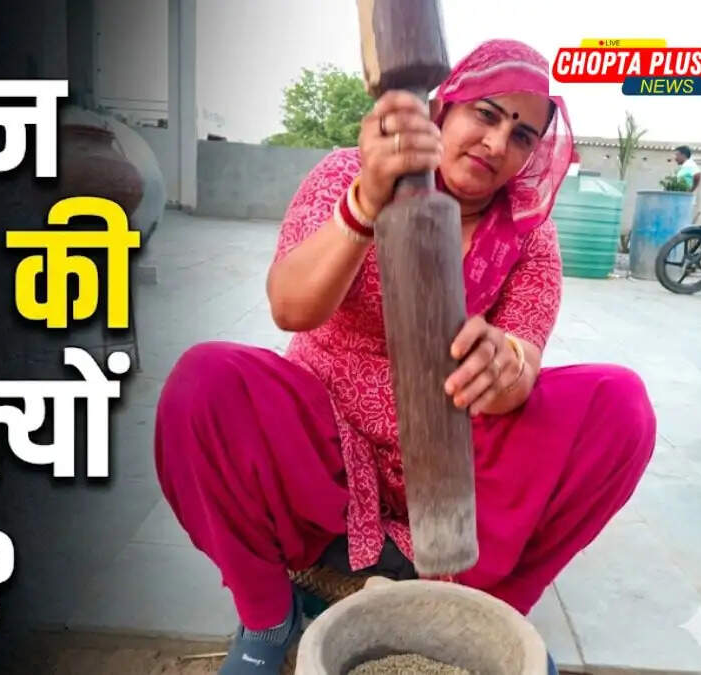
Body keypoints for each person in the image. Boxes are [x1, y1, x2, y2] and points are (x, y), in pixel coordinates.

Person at [154, 40, 656, 675]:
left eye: (524, 134)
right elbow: (289, 307)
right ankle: (267, 619)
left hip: (452, 453)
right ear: (444, 108)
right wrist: (366, 201)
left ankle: (487, 614)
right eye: (488, 113)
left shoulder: (528, 234)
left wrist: (502, 369)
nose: (499, 144)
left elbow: (519, 366)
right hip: (329, 440)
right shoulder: (348, 173)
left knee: (621, 407)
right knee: (205, 382)